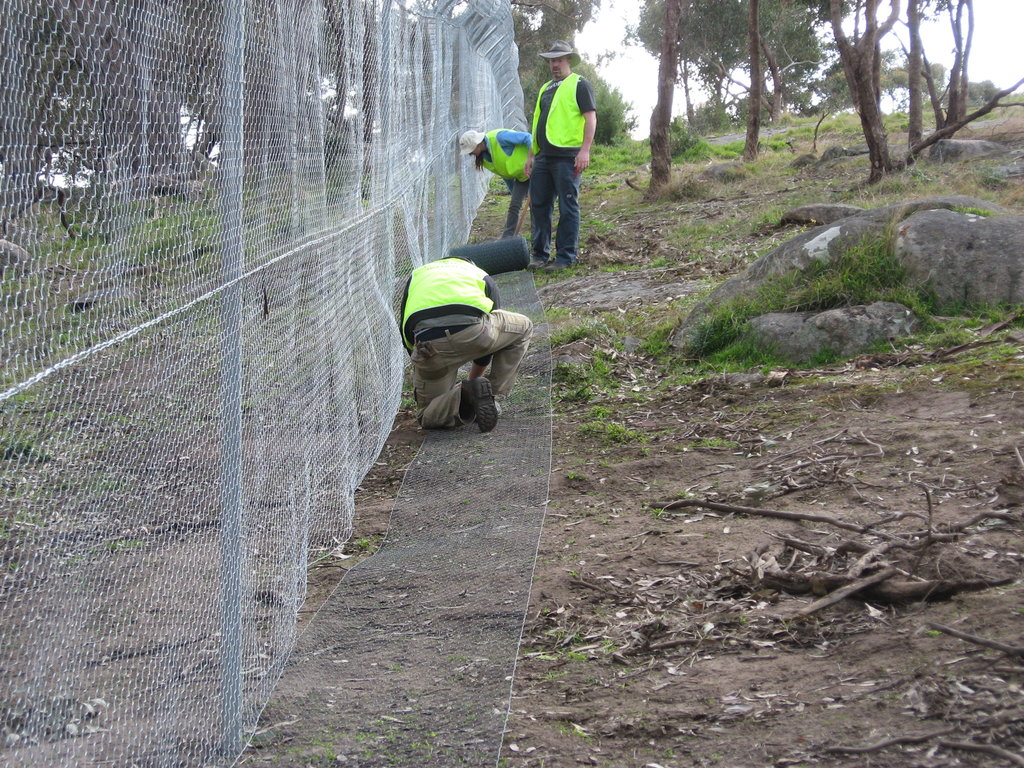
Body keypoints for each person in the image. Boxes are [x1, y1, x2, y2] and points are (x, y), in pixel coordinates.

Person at [398, 256, 533, 433]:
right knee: (523, 327)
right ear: (468, 263)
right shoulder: (478, 274)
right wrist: (474, 379)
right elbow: (490, 340)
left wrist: (424, 366)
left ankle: (467, 396)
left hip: (428, 347)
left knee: (427, 414)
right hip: (475, 332)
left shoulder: (417, 275)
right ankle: (488, 393)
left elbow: (405, 330)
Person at [527, 40, 597, 273]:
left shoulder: (579, 84)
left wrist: (584, 150)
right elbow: (537, 120)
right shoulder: (545, 88)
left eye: (559, 60)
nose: (554, 64)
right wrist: (532, 154)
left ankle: (566, 257)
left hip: (567, 157)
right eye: (552, 60)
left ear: (568, 60)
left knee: (568, 206)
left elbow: (590, 118)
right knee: (539, 206)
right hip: (543, 157)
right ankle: (539, 255)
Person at [459, 128, 534, 239]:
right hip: (522, 176)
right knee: (514, 205)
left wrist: (531, 158)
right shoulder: (484, 159)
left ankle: (538, 235)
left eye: (470, 151)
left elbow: (528, 138)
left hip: (535, 168)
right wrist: (514, 192)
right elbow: (505, 173)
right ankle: (507, 239)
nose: (470, 154)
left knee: (536, 203)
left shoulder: (500, 138)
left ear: (477, 144)